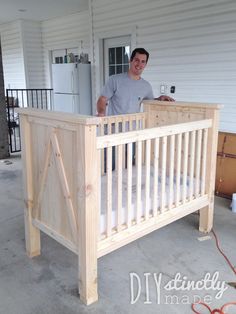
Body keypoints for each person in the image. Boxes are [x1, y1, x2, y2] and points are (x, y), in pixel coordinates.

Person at [96, 47, 174, 117]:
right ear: (130, 60)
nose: (139, 64)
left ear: (145, 64)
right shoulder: (114, 80)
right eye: (137, 60)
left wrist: (160, 99)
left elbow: (150, 101)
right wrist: (101, 114)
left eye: (143, 61)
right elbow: (102, 99)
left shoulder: (146, 86)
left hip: (134, 130)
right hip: (114, 129)